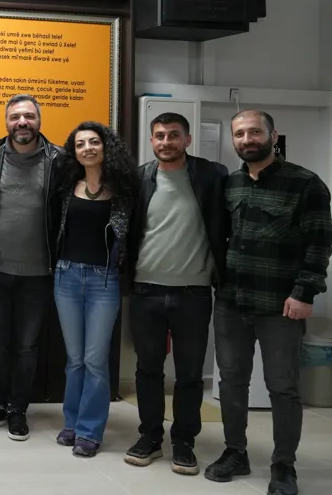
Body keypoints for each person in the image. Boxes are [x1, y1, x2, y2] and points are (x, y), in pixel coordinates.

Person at [205, 110, 330, 495]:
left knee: (283, 387)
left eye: (255, 132)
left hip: (281, 305)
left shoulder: (306, 184)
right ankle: (235, 452)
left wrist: (304, 293)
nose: (247, 139)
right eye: (239, 134)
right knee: (231, 382)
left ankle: (283, 465)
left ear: (273, 135)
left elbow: (319, 245)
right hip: (232, 301)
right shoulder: (231, 184)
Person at [124, 113, 227, 474]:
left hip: (193, 293)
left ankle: (184, 442)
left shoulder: (212, 176)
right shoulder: (140, 178)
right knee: (148, 369)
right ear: (151, 140)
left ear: (187, 139)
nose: (166, 141)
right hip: (146, 290)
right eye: (159, 136)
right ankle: (150, 437)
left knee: (189, 373)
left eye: (173, 135)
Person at [0, 94, 63, 440]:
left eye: (28, 116)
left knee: (27, 346)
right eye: (15, 117)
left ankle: (17, 409)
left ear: (39, 120)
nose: (22, 122)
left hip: (39, 273)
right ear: (6, 122)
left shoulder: (58, 160)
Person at [52, 121, 136, 458]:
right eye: (80, 144)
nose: (87, 148)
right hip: (66, 277)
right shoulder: (66, 187)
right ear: (74, 152)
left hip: (104, 281)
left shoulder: (123, 191)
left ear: (105, 147)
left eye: (94, 142)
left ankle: (90, 430)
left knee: (95, 359)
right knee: (74, 360)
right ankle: (71, 423)